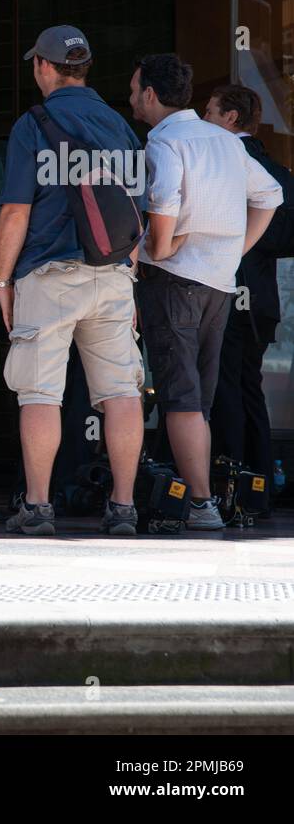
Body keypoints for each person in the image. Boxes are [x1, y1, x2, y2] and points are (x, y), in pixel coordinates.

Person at [0, 26, 144, 535]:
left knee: (39, 393)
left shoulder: (33, 123)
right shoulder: (119, 125)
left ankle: (37, 507)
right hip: (114, 273)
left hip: (49, 274)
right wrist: (131, 274)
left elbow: (15, 211)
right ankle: (123, 508)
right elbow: (134, 212)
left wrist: (1, 282)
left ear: (43, 66)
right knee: (121, 392)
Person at [130, 57, 281, 528]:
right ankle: (202, 497)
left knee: (181, 397)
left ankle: (200, 503)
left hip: (174, 281)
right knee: (199, 396)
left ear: (152, 95)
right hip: (219, 283)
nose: (132, 98)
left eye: (135, 90)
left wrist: (159, 245)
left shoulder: (165, 141)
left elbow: (164, 201)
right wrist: (235, 250)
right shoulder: (226, 142)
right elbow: (270, 194)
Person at [203, 85, 294, 499]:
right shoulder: (276, 169)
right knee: (249, 387)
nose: (204, 120)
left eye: (209, 112)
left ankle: (230, 485)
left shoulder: (228, 164)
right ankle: (257, 486)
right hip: (262, 296)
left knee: (225, 387)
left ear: (230, 119)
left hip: (231, 288)